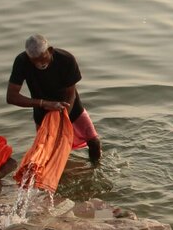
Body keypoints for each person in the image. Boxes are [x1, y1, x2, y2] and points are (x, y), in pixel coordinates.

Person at [6, 34, 102, 163]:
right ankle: (55, 178)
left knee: (94, 141)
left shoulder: (66, 60)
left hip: (71, 107)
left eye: (43, 58)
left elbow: (71, 93)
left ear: (50, 50)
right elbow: (11, 97)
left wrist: (64, 119)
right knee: (48, 152)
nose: (40, 64)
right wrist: (43, 103)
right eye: (34, 61)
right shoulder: (22, 62)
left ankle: (94, 168)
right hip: (43, 114)